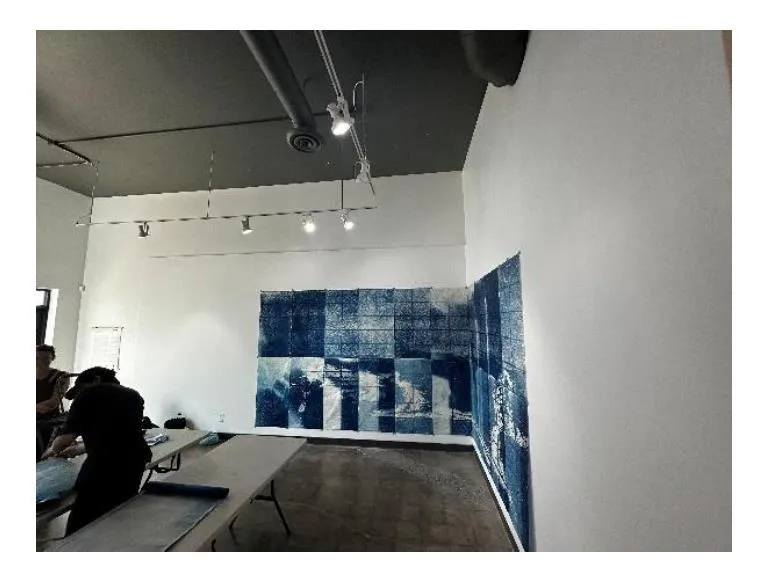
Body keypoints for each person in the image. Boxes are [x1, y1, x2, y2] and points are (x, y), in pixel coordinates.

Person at [42, 367, 152, 536]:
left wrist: (48, 453)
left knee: (80, 524)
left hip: (103, 466)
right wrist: (78, 448)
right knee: (117, 513)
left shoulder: (88, 394)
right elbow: (116, 436)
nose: (78, 395)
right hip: (134, 461)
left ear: (96, 379)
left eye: (79, 389)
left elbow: (64, 439)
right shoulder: (133, 396)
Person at [36, 345, 70, 460]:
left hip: (47, 420)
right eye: (37, 358)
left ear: (52, 358)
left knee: (40, 455)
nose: (40, 362)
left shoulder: (61, 376)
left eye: (45, 358)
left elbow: (53, 402)